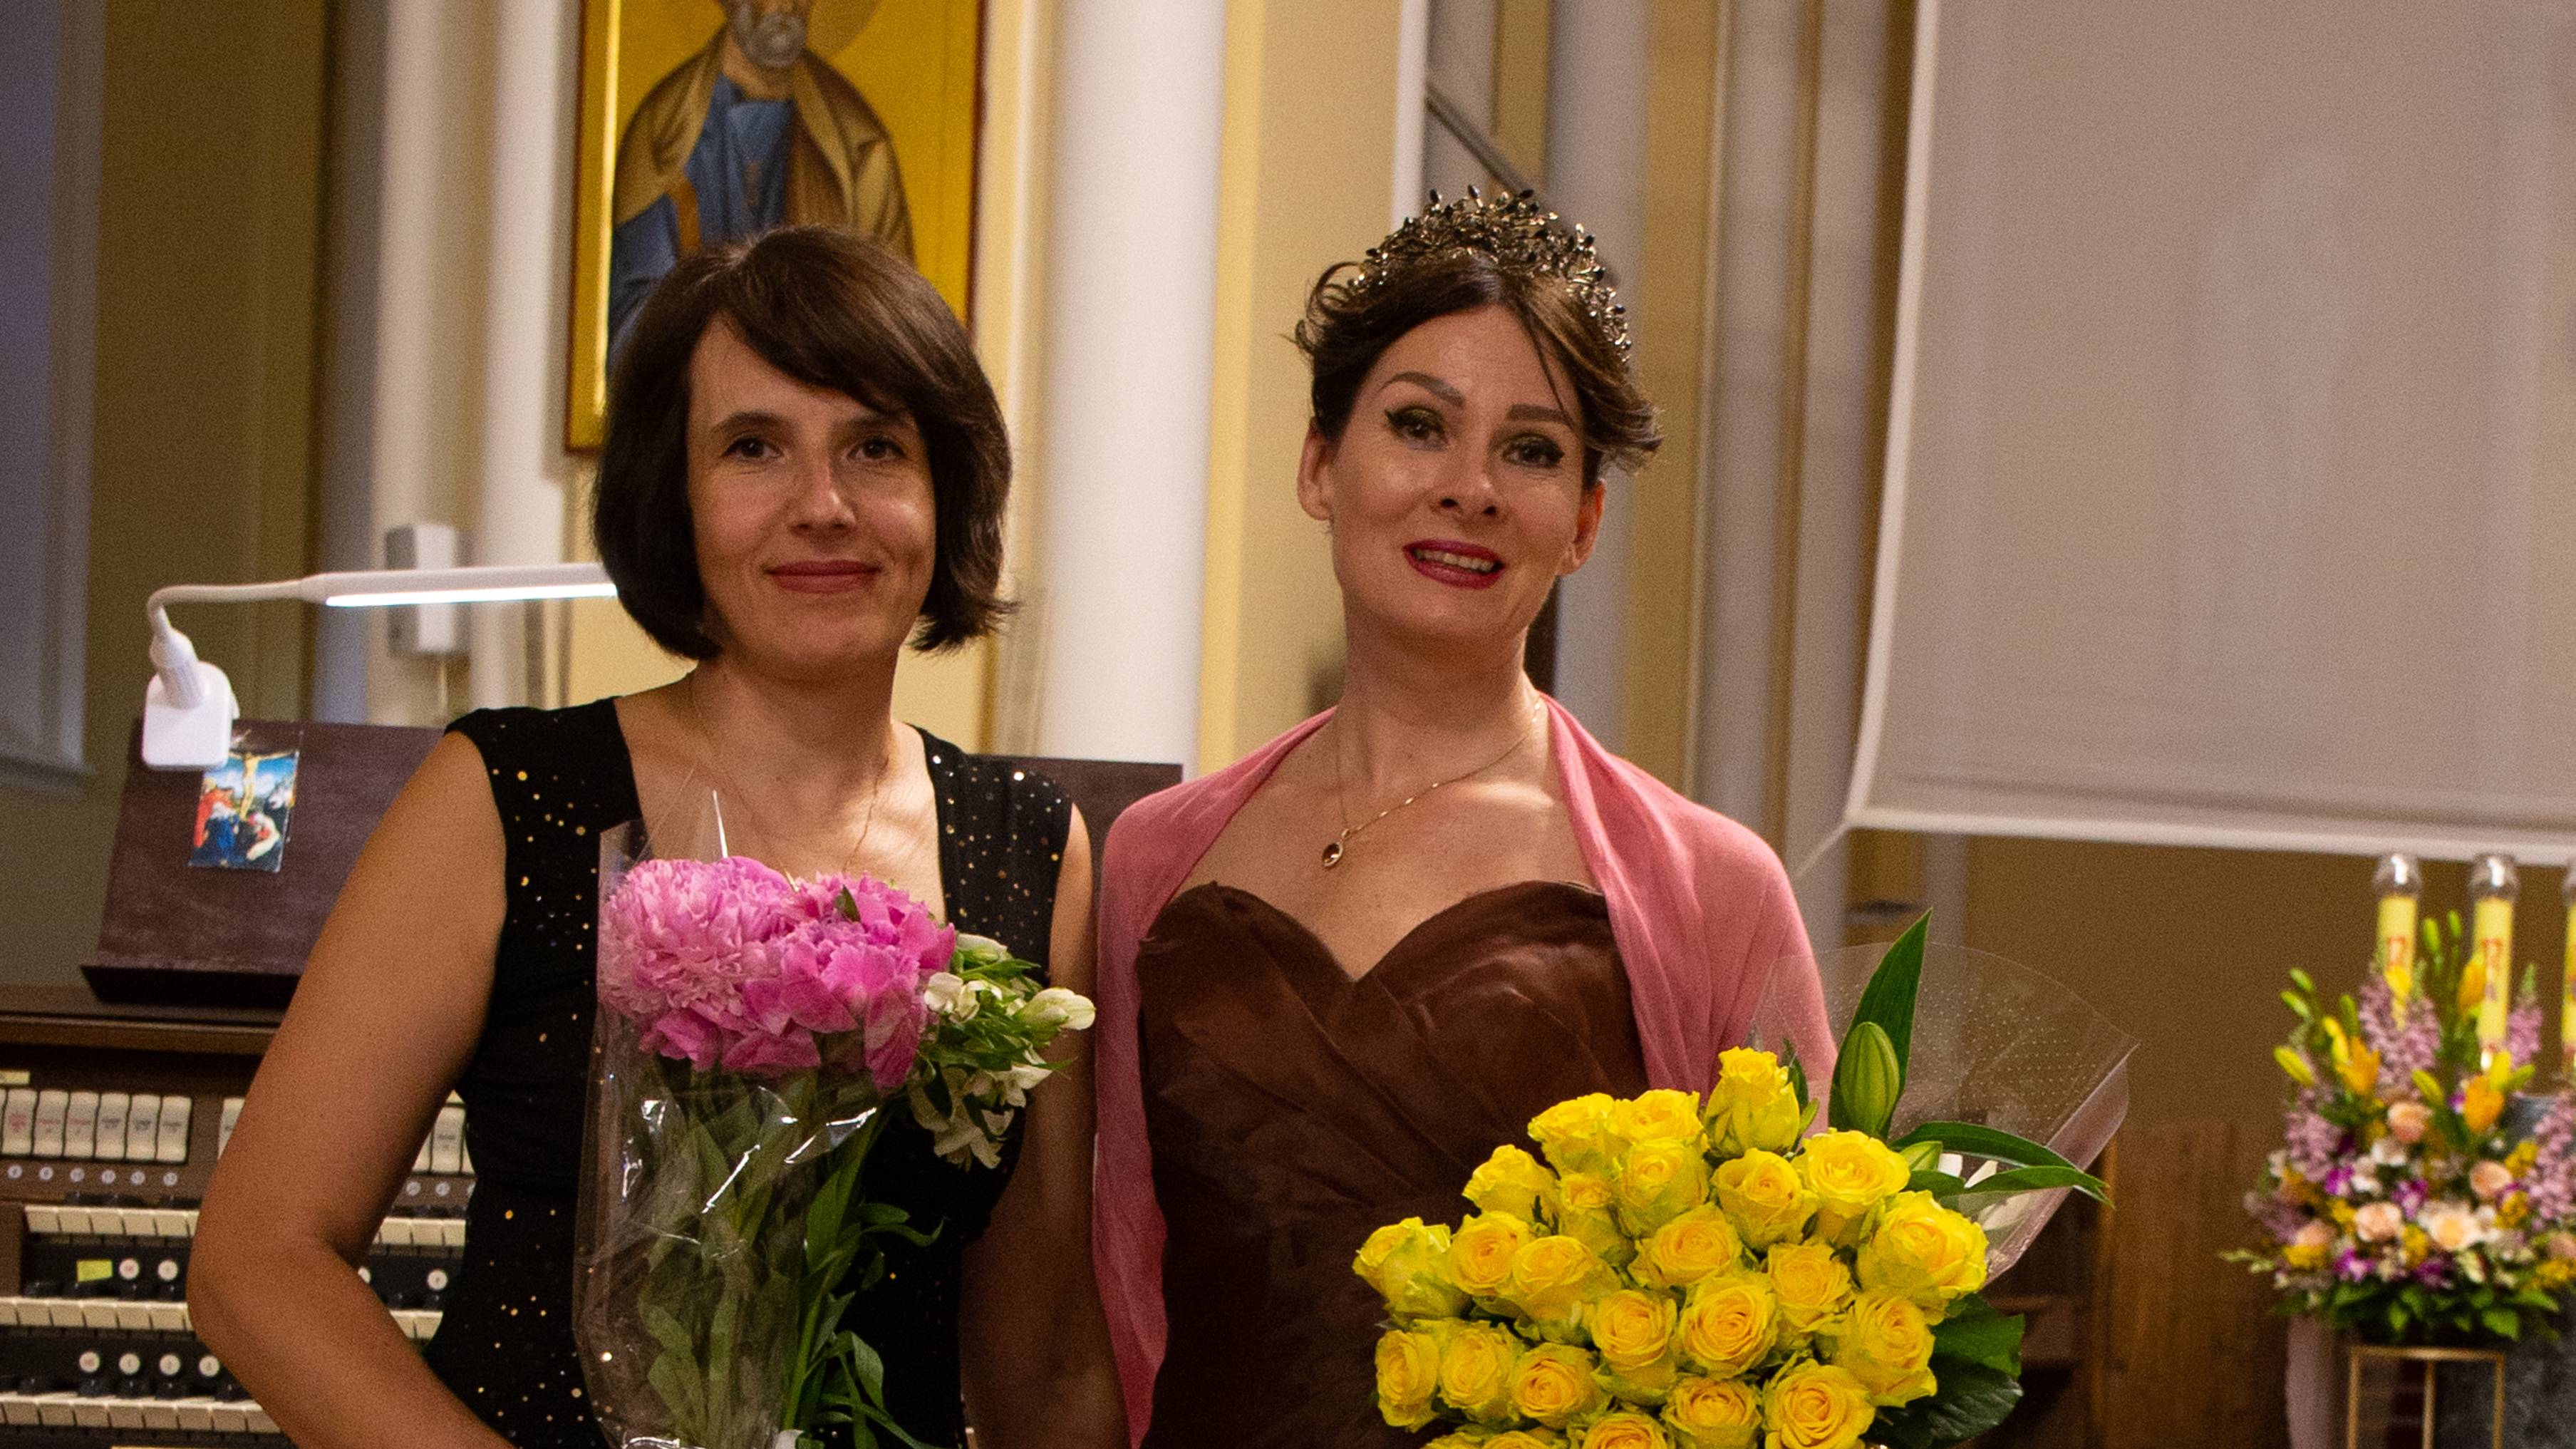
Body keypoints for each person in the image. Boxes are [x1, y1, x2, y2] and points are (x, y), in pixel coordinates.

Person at [191, 227, 1124, 1449]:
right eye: (753, 448)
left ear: (944, 493)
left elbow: (1043, 1356)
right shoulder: (507, 796)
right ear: (672, 497)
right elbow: (258, 1262)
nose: (824, 505)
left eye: (875, 448)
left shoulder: (1028, 848)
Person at [1088, 192, 1838, 1445]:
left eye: (1531, 451)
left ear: (1584, 522)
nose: (1470, 488)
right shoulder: (1151, 855)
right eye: (1419, 425)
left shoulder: (1711, 884)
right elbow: (1106, 1273)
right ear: (1320, 465)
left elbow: (1800, 1319)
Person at [609, 0, 913, 350]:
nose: (787, 4)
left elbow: (894, 331)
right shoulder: (664, 134)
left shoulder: (858, 145)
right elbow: (633, 324)